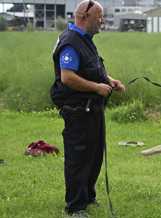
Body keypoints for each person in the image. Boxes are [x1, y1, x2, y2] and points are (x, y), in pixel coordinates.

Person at [50, 0, 125, 217]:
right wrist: (97, 88)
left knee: (94, 155)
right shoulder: (70, 42)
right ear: (84, 16)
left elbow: (90, 67)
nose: (102, 20)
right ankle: (75, 207)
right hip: (78, 109)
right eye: (99, 16)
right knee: (79, 157)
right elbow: (68, 77)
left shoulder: (85, 40)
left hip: (93, 108)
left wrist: (109, 81)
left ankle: (88, 197)